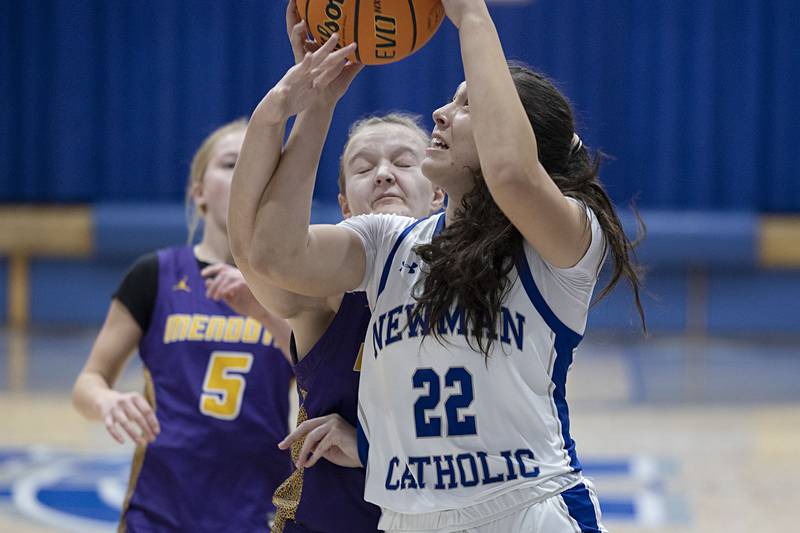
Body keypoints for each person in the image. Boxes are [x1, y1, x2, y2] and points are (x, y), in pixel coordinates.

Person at [235, 0, 646, 530]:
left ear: (520, 134)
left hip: (524, 510)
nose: (441, 114)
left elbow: (512, 177)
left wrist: (471, 15)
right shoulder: (389, 243)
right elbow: (273, 254)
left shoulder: (564, 244)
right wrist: (315, 106)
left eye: (468, 105)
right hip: (407, 519)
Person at [227, 5, 443, 532]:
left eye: (405, 163)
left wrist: (371, 447)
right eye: (365, 168)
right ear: (346, 207)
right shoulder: (325, 296)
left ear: (439, 193)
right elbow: (251, 245)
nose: (386, 175)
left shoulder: (477, 279)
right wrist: (292, 107)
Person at [72, 119, 295, 532]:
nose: (245, 174)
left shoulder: (290, 284)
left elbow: (317, 376)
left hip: (256, 507)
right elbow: (88, 381)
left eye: (257, 165)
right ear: (198, 191)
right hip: (160, 506)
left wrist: (268, 310)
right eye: (231, 164)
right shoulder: (154, 274)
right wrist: (107, 402)